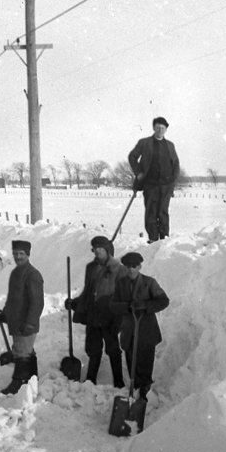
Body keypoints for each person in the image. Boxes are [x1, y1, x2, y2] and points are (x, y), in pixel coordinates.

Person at [65, 236, 126, 388]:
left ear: (107, 249)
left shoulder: (119, 269)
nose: (97, 251)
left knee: (113, 349)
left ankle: (118, 381)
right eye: (95, 248)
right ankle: (90, 379)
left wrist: (119, 319)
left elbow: (124, 296)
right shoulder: (91, 268)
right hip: (93, 316)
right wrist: (75, 303)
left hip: (110, 316)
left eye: (101, 248)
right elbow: (88, 291)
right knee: (93, 349)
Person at [109, 252, 170, 405]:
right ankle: (135, 392)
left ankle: (144, 395)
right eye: (128, 267)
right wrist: (127, 307)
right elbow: (113, 305)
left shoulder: (149, 283)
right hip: (129, 331)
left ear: (140, 266)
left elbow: (164, 301)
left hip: (146, 331)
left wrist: (146, 306)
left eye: (134, 267)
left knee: (145, 364)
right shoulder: (121, 284)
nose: (130, 270)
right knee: (132, 364)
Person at [0, 240, 44, 395]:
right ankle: (32, 378)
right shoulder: (16, 273)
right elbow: (12, 298)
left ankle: (19, 381)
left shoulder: (32, 275)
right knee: (26, 350)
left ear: (27, 255)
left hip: (26, 323)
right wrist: (5, 314)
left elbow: (37, 302)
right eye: (15, 254)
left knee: (21, 352)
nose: (18, 257)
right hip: (17, 322)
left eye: (21, 254)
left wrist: (30, 322)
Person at [127, 116, 180, 242]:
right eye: (157, 128)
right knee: (151, 211)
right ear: (153, 128)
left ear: (166, 129)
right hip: (150, 184)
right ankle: (153, 238)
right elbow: (132, 156)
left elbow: (176, 163)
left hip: (166, 185)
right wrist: (139, 172)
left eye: (162, 128)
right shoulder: (144, 143)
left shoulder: (170, 145)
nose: (160, 130)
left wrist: (173, 179)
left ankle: (164, 238)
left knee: (163, 211)